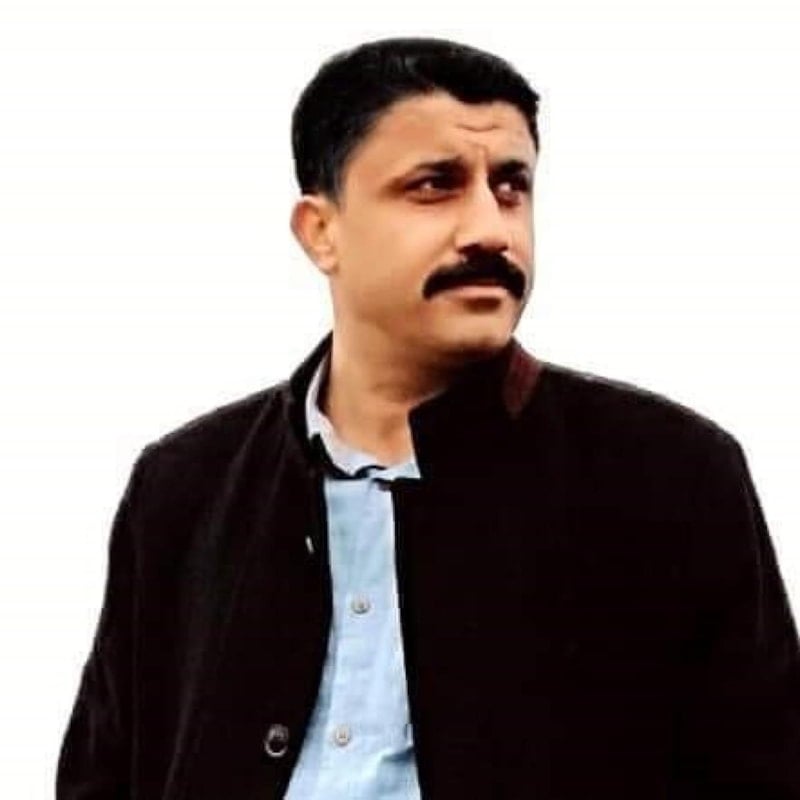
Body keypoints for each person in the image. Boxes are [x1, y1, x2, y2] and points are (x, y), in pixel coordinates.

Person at [56, 36, 800, 799]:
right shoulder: (185, 491)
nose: (490, 229)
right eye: (435, 185)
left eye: (511, 187)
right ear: (321, 232)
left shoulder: (669, 479)